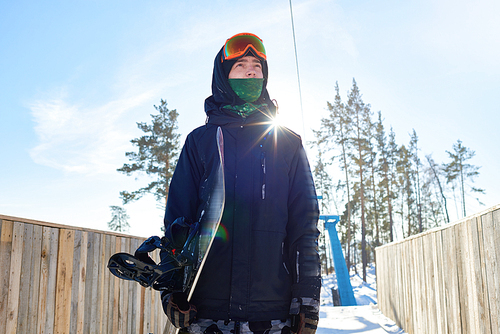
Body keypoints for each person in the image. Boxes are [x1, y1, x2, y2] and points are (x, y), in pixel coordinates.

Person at [162, 32, 321, 334]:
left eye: (257, 66)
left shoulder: (287, 143)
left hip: (273, 315)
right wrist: (171, 289)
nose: (251, 71)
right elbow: (177, 222)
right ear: (223, 76)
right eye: (240, 65)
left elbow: (305, 226)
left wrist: (308, 299)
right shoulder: (201, 142)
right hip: (206, 313)